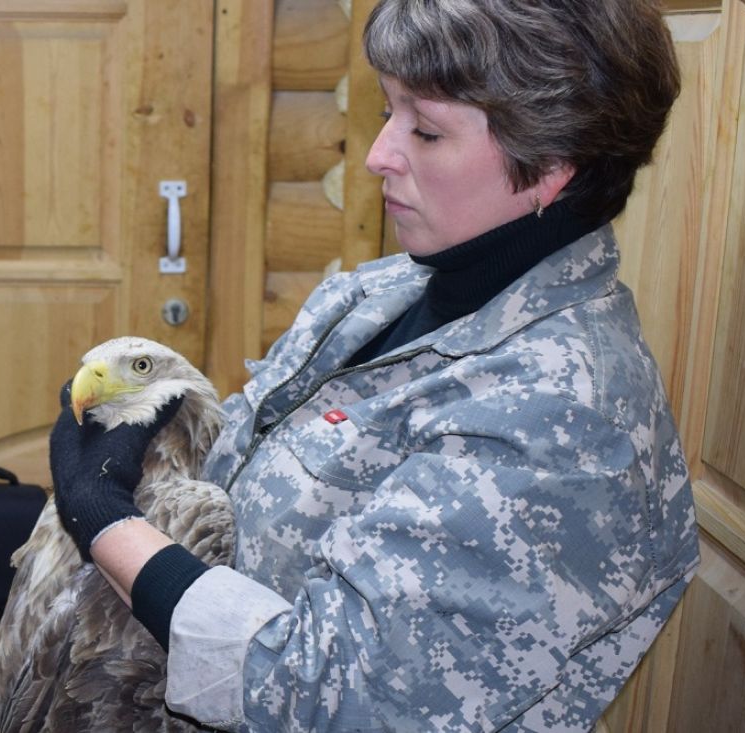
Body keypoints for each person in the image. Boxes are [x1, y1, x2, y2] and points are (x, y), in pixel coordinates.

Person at [49, 0, 699, 730]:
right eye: (389, 113)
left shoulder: (563, 419)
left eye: (425, 128)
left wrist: (104, 517)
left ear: (552, 165)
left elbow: (320, 690)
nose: (379, 154)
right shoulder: (378, 294)